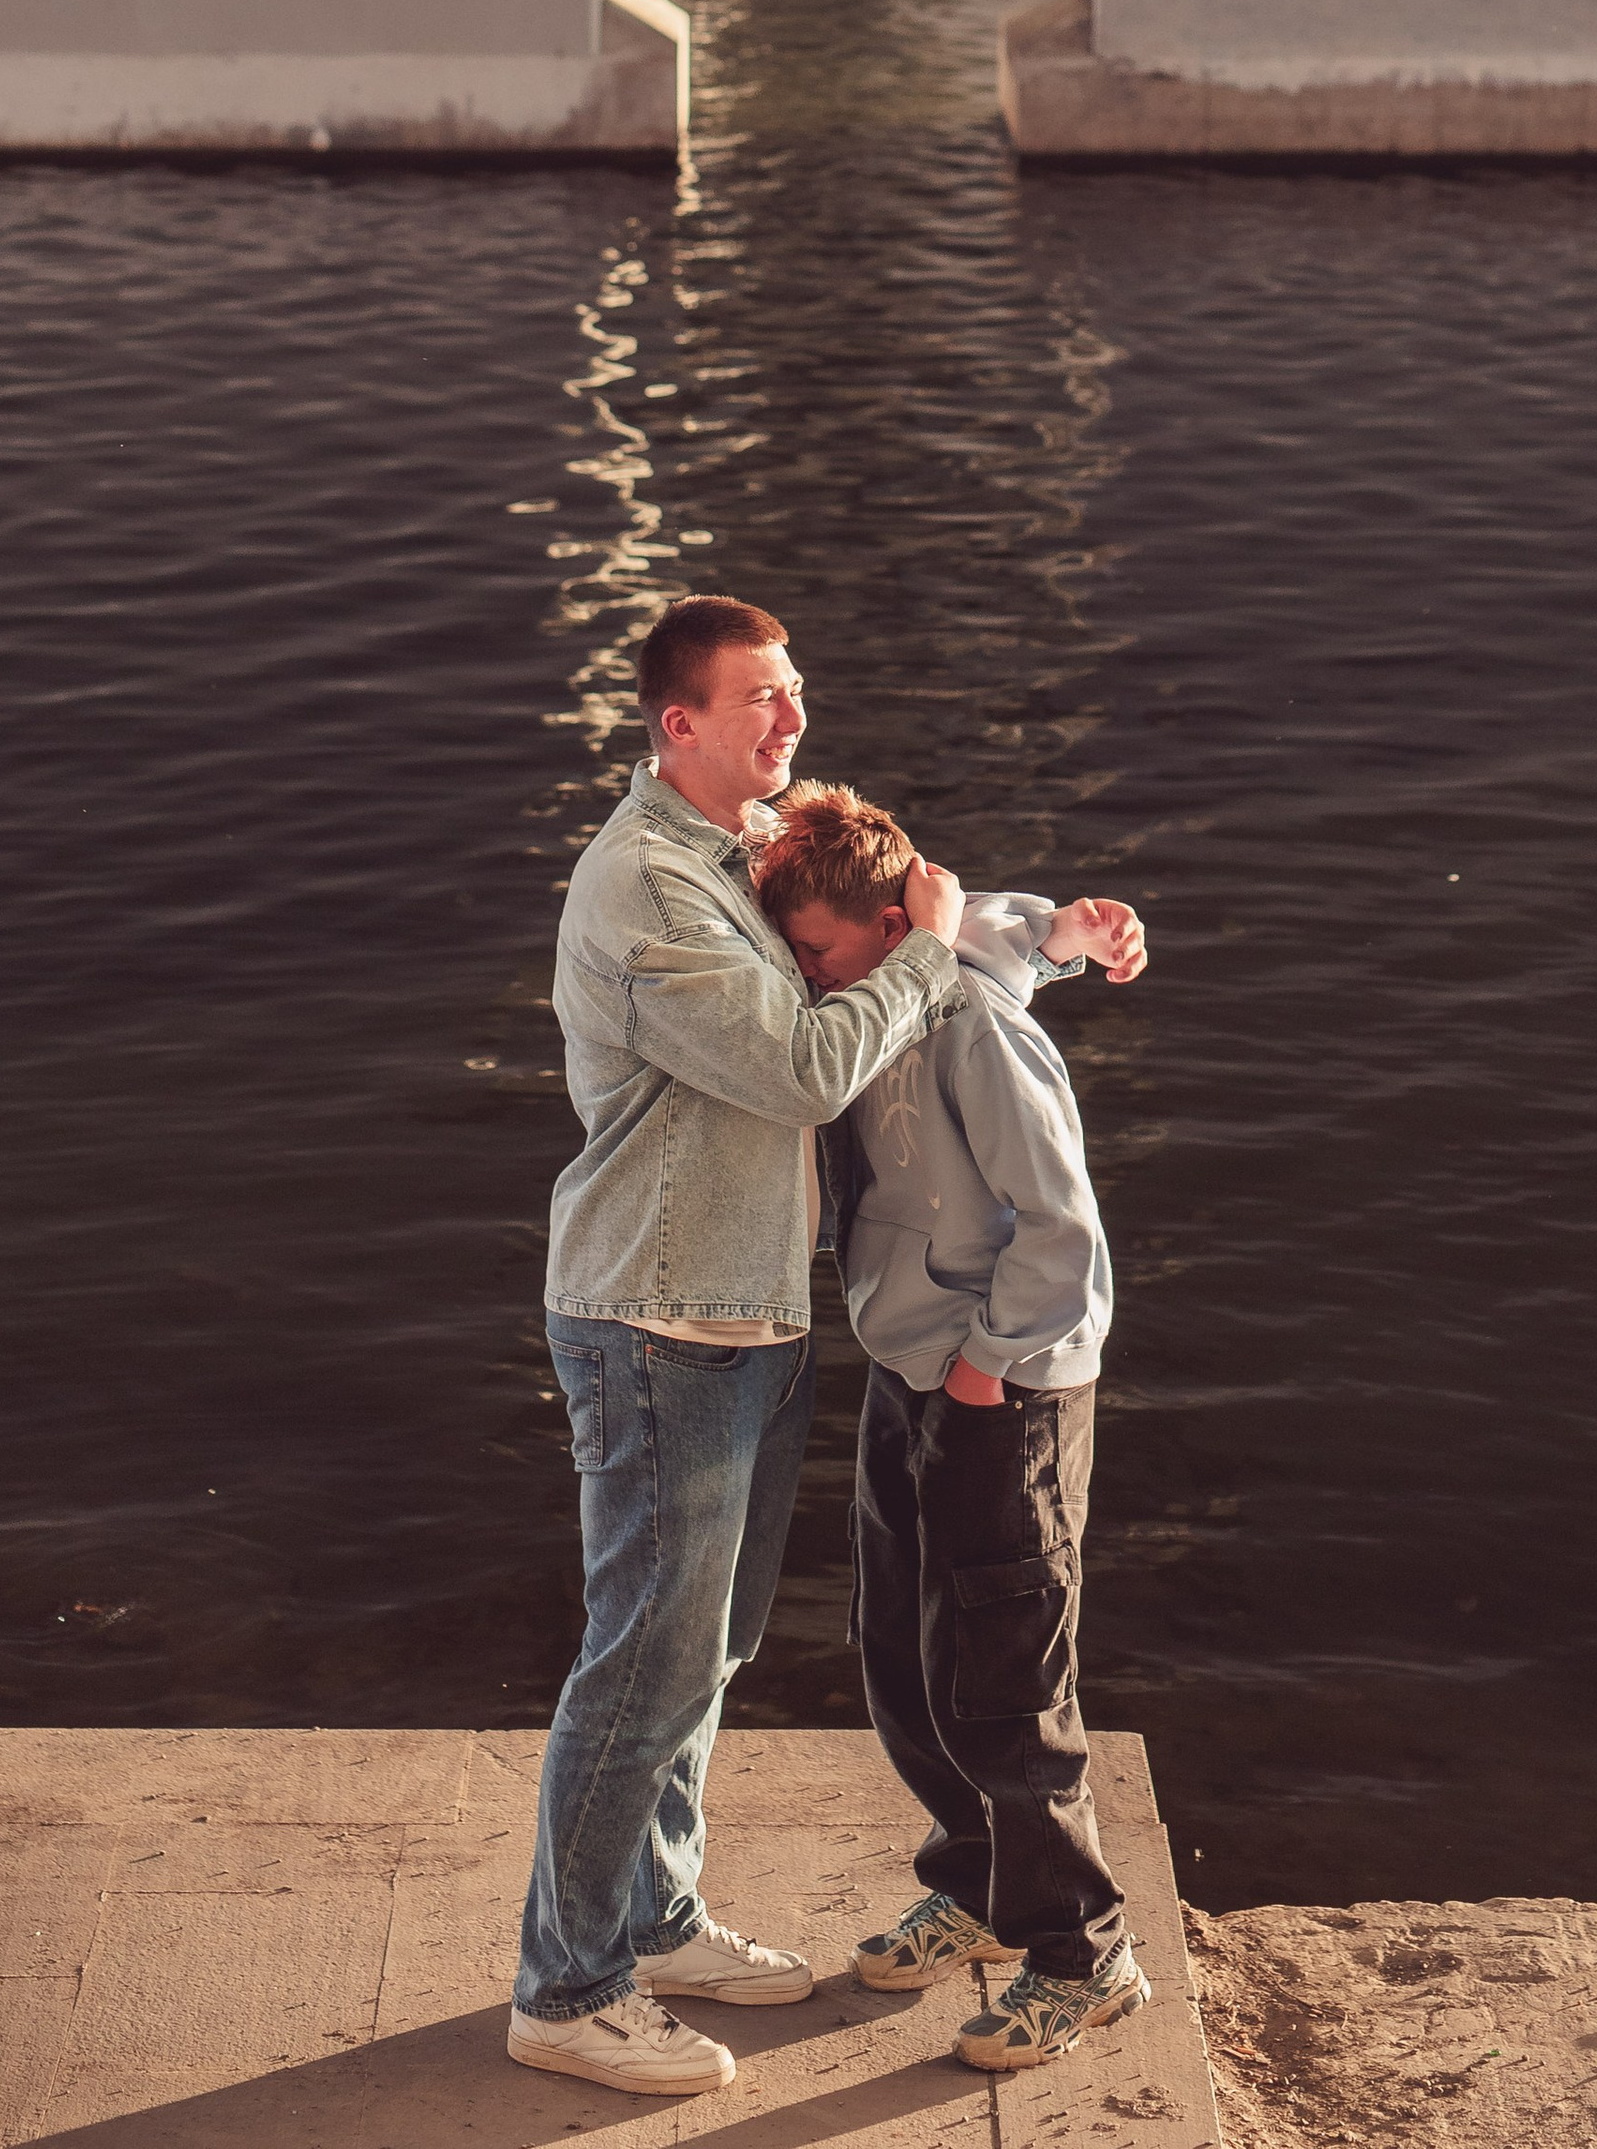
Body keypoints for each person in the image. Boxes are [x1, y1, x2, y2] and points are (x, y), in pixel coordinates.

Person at [509, 597, 972, 2096]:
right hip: (658, 1324)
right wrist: (938, 951)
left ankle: (655, 1919)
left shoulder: (738, 861)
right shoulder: (646, 888)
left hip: (749, 1314)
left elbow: (851, 943)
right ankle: (565, 1991)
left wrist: (1046, 937)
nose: (791, 722)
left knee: (705, 1653)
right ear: (678, 725)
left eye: (795, 694)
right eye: (760, 702)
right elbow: (799, 1068)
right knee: (638, 1668)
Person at [755, 778, 1152, 2075]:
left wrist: (985, 1370)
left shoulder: (972, 1024)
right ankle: (980, 1887)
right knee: (900, 1651)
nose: (803, 980)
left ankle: (1084, 1954)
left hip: (1005, 1386)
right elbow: (989, 920)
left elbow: (1066, 1229)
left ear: (881, 926)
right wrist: (1066, 928)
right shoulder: (892, 982)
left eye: (811, 952)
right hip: (909, 1364)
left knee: (1006, 1678)